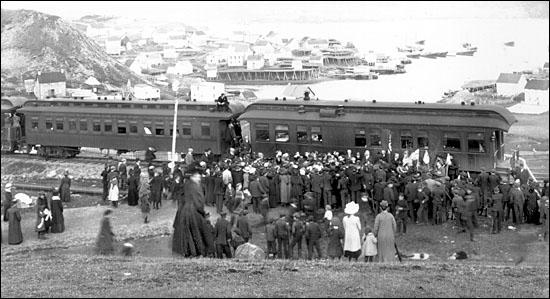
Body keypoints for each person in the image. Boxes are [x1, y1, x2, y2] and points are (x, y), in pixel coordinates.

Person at [172, 169, 213, 257]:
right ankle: (200, 252)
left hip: (185, 211)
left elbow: (181, 197)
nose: (199, 178)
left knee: (187, 233)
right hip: (193, 212)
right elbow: (199, 202)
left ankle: (187, 251)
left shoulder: (187, 184)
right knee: (198, 232)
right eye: (198, 176)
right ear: (193, 177)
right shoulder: (196, 187)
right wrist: (202, 213)